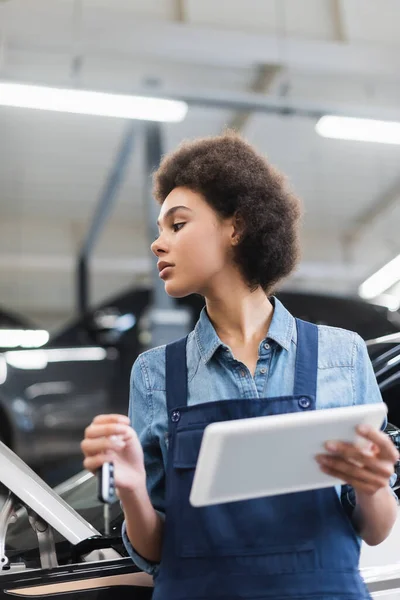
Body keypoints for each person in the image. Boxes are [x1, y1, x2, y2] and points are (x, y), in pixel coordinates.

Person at [81, 131, 399, 599]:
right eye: (159, 229)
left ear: (236, 227)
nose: (157, 244)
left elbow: (375, 530)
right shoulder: (154, 375)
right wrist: (130, 489)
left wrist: (374, 489)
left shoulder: (342, 354)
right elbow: (155, 549)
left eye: (177, 224)